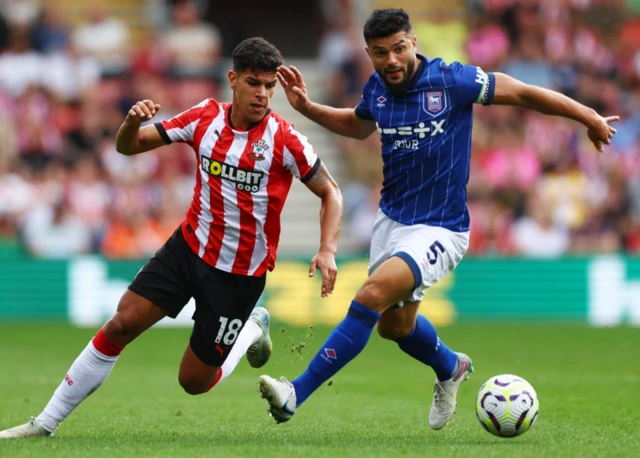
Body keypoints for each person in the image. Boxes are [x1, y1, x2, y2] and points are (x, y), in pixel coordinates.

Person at [258, 8, 619, 429]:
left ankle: (294, 394)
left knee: (370, 295)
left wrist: (588, 116)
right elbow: (358, 126)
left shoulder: (452, 80)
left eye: (398, 49)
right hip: (391, 222)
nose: (391, 60)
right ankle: (450, 367)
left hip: (441, 228)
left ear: (413, 43)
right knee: (394, 327)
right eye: (380, 53)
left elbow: (521, 93)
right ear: (369, 54)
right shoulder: (376, 88)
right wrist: (307, 107)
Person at [0, 37, 343, 439]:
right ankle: (45, 423)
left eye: (269, 86)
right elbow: (130, 147)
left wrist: (328, 247)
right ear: (232, 80)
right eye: (254, 83)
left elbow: (330, 192)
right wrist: (131, 123)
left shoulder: (285, 140)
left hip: (238, 275)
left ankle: (251, 328)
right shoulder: (204, 118)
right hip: (188, 248)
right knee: (121, 324)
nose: (263, 94)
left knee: (193, 382)